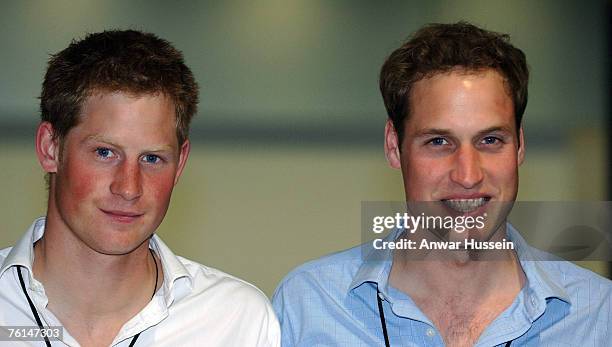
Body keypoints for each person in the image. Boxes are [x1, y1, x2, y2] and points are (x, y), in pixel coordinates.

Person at [272, 22, 612, 346]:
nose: (467, 175)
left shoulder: (599, 316)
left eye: (490, 140)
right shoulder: (308, 306)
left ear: (520, 146)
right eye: (438, 142)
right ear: (394, 146)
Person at [0, 30, 279, 346]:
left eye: (152, 158)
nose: (129, 187)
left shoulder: (234, 320)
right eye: (105, 153)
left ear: (180, 163)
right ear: (51, 148)